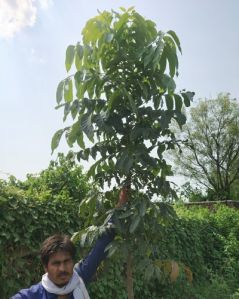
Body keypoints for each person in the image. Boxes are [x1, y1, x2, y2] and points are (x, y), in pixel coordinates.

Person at [11, 187, 129, 299]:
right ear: (45, 267)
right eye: (56, 263)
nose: (62, 268)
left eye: (66, 261)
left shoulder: (79, 277)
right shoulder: (33, 295)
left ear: (72, 262)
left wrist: (120, 206)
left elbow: (101, 245)